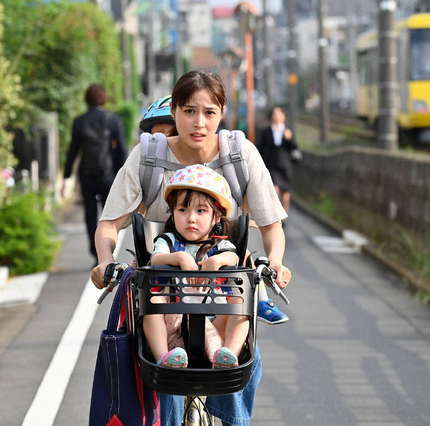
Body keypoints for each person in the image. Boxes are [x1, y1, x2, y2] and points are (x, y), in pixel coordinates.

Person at [90, 70, 292, 426]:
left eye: (209, 112)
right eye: (189, 111)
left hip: (225, 291)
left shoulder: (240, 156)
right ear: (175, 111)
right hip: (163, 295)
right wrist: (104, 260)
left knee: (245, 358)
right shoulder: (148, 157)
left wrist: (275, 261)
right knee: (162, 371)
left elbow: (271, 226)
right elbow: (109, 223)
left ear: (221, 113)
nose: (199, 123)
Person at [139, 95, 289, 326]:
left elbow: (269, 227)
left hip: (217, 296)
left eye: (170, 135)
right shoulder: (148, 162)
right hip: (172, 304)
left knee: (243, 289)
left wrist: (274, 262)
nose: (165, 143)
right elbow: (114, 222)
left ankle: (260, 301)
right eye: (157, 138)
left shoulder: (225, 159)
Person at [146, 165, 248, 370]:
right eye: (182, 210)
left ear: (216, 217)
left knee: (240, 301)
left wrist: (217, 261)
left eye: (201, 211)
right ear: (173, 213)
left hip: (215, 322)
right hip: (175, 327)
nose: (191, 218)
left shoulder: (220, 245)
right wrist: (179, 257)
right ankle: (163, 357)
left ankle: (228, 356)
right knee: (152, 300)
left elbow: (233, 257)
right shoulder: (168, 241)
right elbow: (155, 259)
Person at [61, 83, 126, 260]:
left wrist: (66, 176)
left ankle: (96, 253)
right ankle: (108, 253)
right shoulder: (112, 119)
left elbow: (73, 150)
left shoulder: (79, 121)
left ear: (87, 99)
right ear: (104, 99)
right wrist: (123, 175)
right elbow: (121, 149)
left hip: (87, 175)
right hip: (108, 175)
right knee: (109, 217)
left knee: (90, 216)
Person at [257, 106, 299, 217]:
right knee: (274, 190)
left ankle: (284, 216)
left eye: (279, 113)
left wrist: (289, 138)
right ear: (271, 116)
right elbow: (260, 148)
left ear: (284, 116)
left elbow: (295, 147)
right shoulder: (266, 131)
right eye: (274, 114)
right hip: (271, 165)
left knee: (285, 192)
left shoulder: (288, 131)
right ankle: (276, 215)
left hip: (285, 165)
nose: (277, 116)